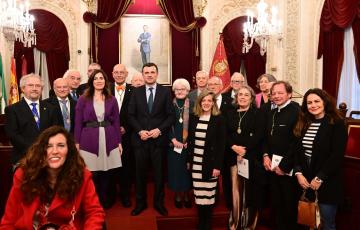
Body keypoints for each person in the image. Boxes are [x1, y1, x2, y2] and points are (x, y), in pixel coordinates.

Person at [0, 126, 105, 229]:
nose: (55, 151)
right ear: (41, 150)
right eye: (48, 146)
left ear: (69, 151)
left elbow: (94, 213)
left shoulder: (82, 175)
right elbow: (9, 220)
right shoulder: (23, 175)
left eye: (61, 145)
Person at [293, 88, 347, 230]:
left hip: (327, 182)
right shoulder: (304, 122)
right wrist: (298, 173)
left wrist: (320, 178)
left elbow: (337, 155)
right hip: (306, 181)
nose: (313, 105)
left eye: (317, 101)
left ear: (325, 102)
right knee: (308, 222)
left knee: (326, 223)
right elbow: (297, 152)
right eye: (309, 102)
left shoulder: (337, 123)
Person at [128, 62, 175, 216]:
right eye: (146, 72)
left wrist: (160, 130)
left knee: (159, 175)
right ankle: (140, 204)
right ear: (143, 74)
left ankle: (158, 203)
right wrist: (140, 130)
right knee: (139, 175)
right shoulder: (136, 92)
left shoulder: (165, 92)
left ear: (156, 74)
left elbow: (170, 116)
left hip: (158, 141)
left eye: (152, 72)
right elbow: (130, 115)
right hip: (140, 140)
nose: (149, 75)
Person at [74, 69, 122, 209]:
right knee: (91, 173)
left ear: (105, 81)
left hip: (109, 137)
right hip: (88, 139)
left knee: (107, 172)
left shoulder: (111, 99)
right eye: (96, 78)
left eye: (101, 78)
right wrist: (77, 142)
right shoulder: (83, 99)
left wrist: (119, 142)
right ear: (91, 81)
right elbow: (78, 123)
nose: (99, 80)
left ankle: (105, 200)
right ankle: (92, 202)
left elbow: (117, 122)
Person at [225, 85, 266, 230]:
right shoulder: (229, 113)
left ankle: (249, 224)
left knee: (250, 192)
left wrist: (244, 149)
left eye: (246, 95)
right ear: (236, 98)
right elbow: (225, 134)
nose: (242, 97)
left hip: (251, 157)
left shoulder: (257, 113)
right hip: (233, 157)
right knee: (236, 191)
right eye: (240, 94)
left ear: (251, 98)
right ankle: (235, 223)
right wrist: (234, 147)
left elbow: (259, 135)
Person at [262, 81, 300, 230]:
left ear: (289, 94)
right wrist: (265, 156)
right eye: (274, 93)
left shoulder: (296, 111)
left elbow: (296, 143)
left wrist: (284, 166)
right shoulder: (272, 112)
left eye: (280, 93)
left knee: (289, 206)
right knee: (276, 204)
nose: (276, 96)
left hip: (288, 169)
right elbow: (266, 137)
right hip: (272, 167)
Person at [188, 90, 226, 230]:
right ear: (200, 102)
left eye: (209, 101)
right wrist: (189, 160)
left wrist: (217, 166)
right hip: (196, 162)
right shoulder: (194, 117)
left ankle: (207, 223)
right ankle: (201, 223)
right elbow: (191, 141)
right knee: (199, 194)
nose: (206, 103)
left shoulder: (219, 119)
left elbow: (221, 145)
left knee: (208, 195)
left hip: (210, 163)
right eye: (204, 100)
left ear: (213, 103)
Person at [5, 73, 60, 165]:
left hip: (48, 157)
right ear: (23, 88)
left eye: (38, 86)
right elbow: (13, 135)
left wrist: (46, 149)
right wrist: (35, 150)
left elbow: (55, 131)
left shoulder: (51, 108)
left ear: (41, 89)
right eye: (30, 85)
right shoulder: (12, 109)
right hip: (23, 158)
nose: (34, 88)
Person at [108, 63, 134, 208]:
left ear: (126, 74)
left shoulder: (134, 90)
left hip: (127, 136)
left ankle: (125, 195)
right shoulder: (105, 90)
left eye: (121, 72)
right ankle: (111, 195)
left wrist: (127, 127)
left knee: (126, 167)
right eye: (116, 72)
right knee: (110, 167)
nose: (119, 75)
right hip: (108, 135)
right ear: (112, 74)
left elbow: (136, 113)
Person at [207, 76, 232, 208]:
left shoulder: (230, 101)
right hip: (211, 145)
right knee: (212, 172)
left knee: (227, 174)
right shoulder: (205, 101)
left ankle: (228, 199)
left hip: (227, 144)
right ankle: (213, 197)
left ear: (221, 85)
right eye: (209, 84)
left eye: (215, 84)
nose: (212, 86)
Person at [168, 78, 192, 209]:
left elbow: (195, 124)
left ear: (188, 91)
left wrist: (190, 141)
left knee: (187, 169)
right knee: (176, 169)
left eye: (183, 89)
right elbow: (165, 124)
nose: (180, 91)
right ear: (174, 91)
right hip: (173, 143)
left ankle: (187, 194)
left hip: (188, 143)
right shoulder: (169, 104)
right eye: (177, 89)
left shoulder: (193, 104)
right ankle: (177, 194)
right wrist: (173, 140)